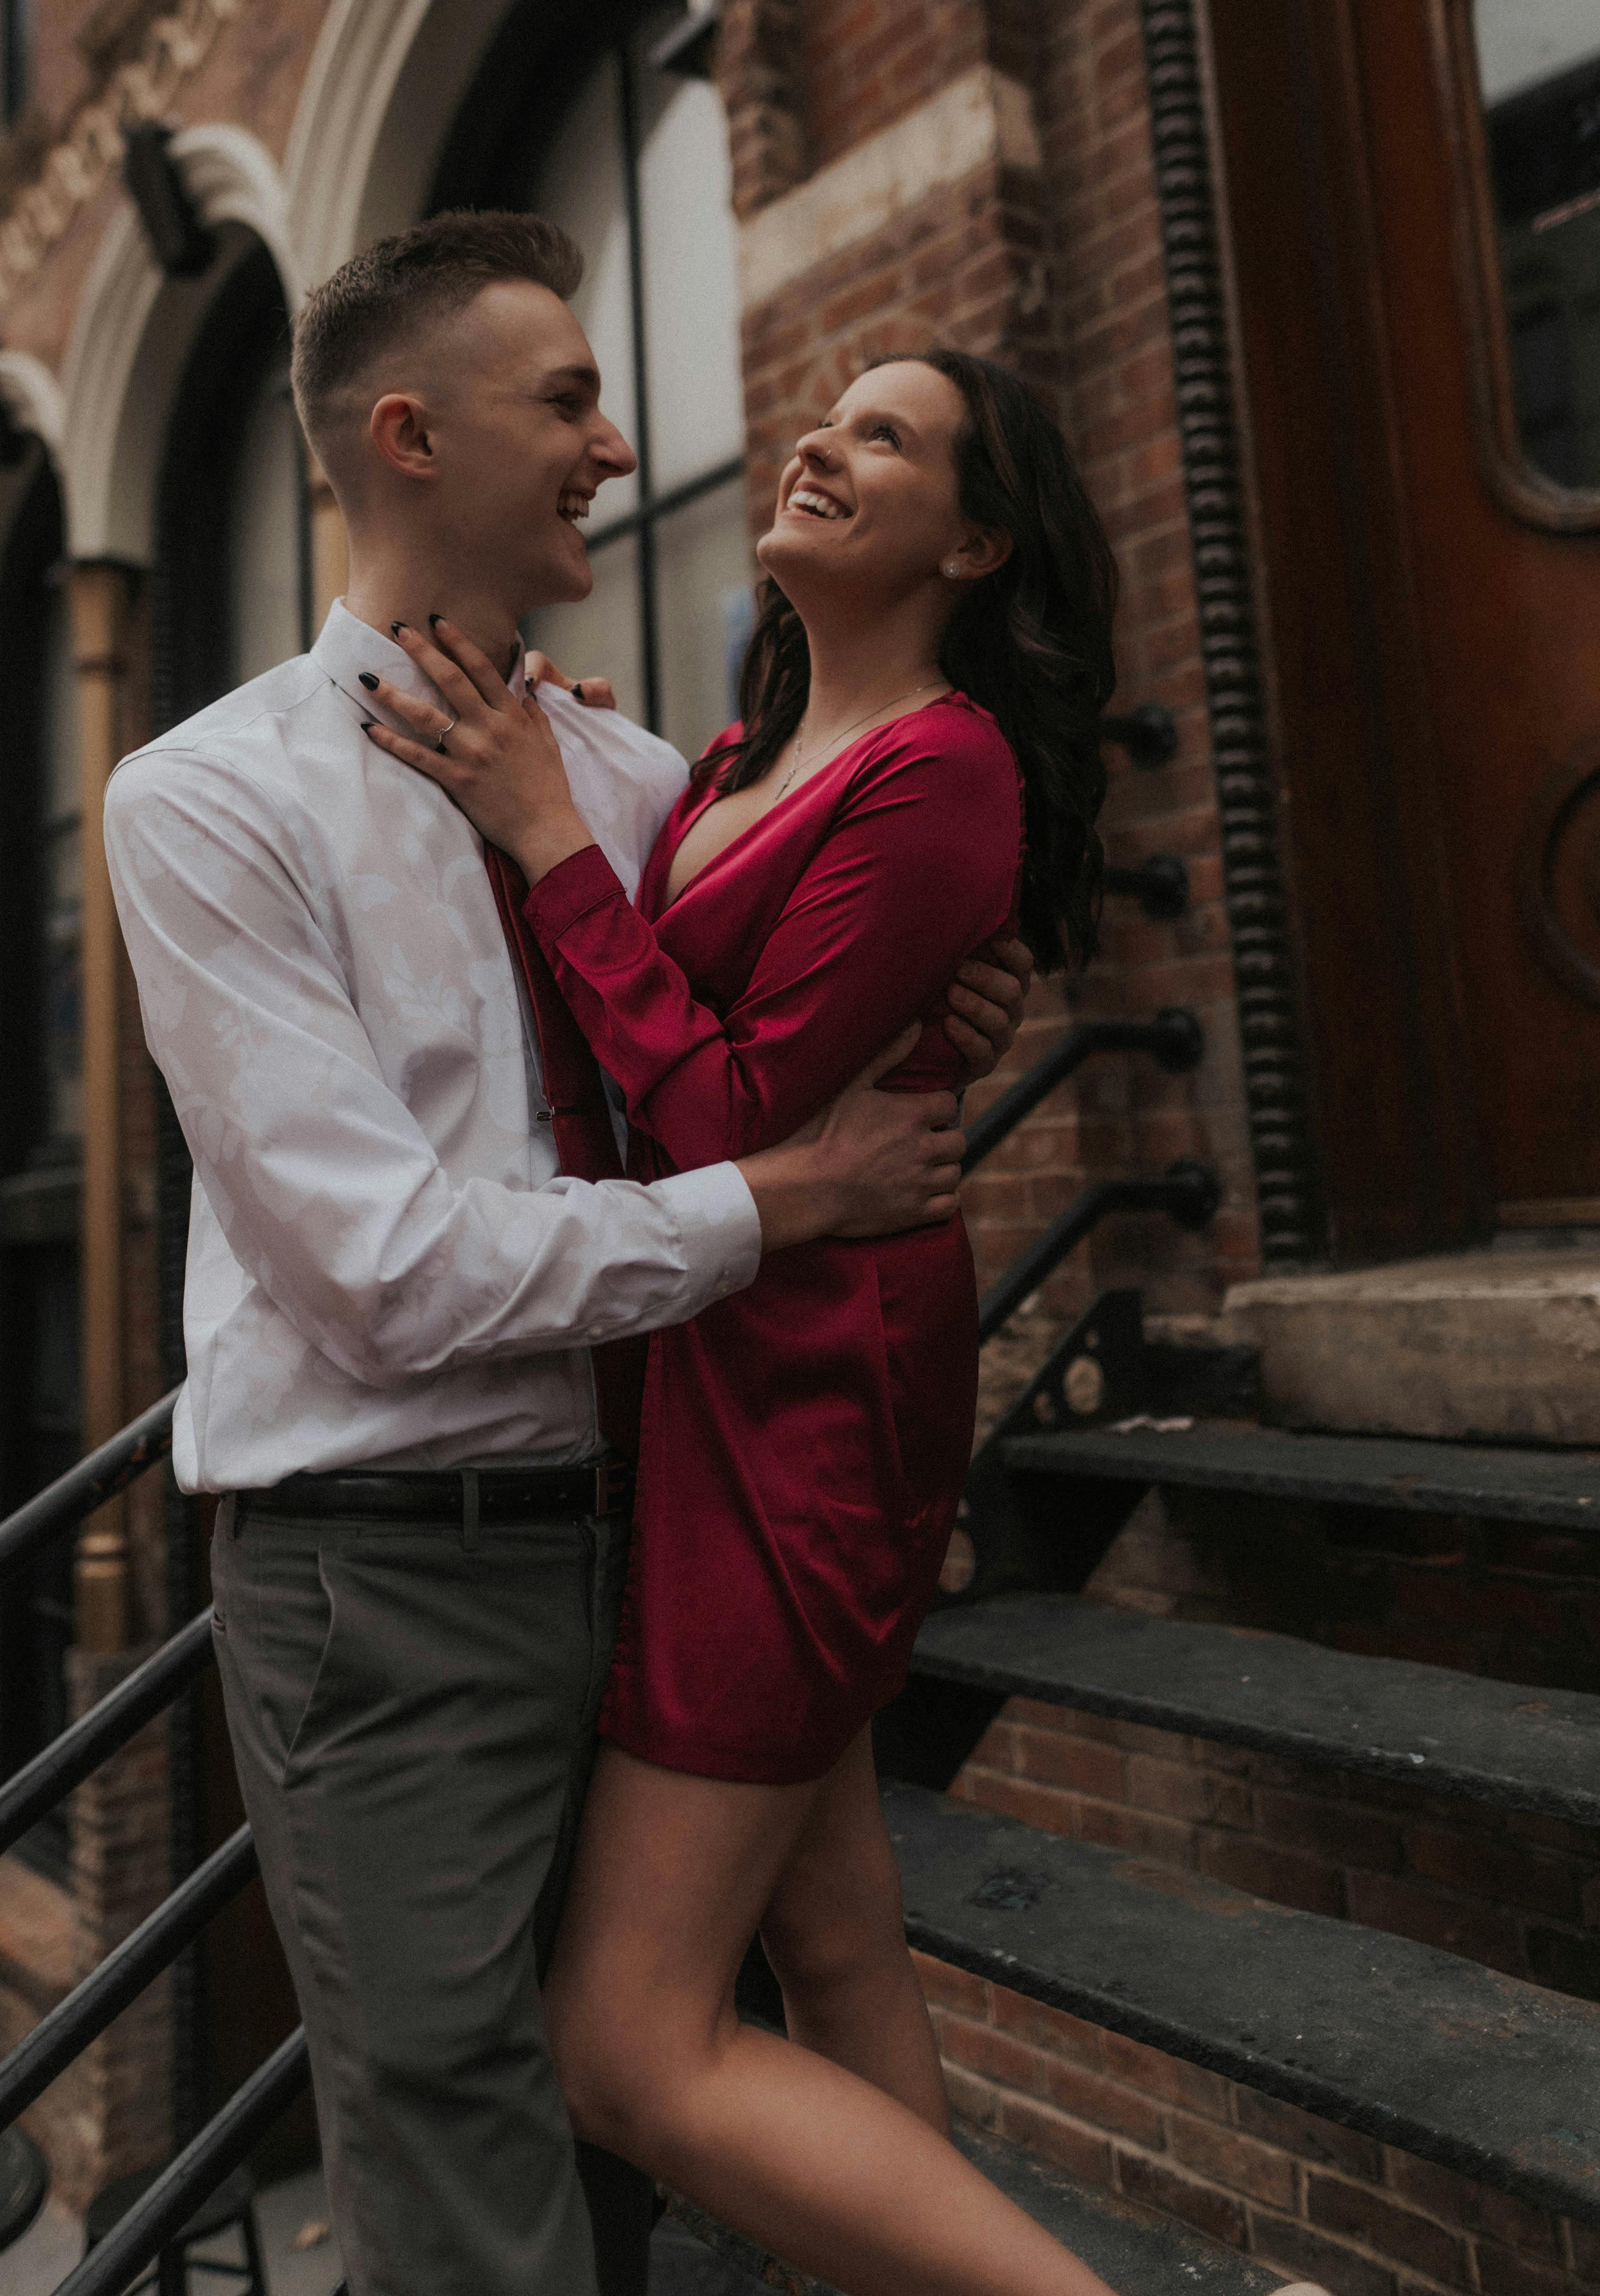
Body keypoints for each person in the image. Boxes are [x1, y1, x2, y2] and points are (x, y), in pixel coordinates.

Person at [103, 212, 1032, 2296]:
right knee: (467, 2182)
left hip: (653, 1512)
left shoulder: (626, 776)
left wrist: (950, 988)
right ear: (411, 437)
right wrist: (771, 1202)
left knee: (660, 2086)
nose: (619, 440)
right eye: (571, 399)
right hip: (387, 1563)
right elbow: (379, 1266)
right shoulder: (205, 798)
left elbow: (763, 998)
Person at [362, 342, 1128, 2296]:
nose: (816, 437)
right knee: (836, 1936)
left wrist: (546, 831)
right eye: (828, 411)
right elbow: (680, 1043)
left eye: (884, 432)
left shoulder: (941, 766)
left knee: (626, 2048)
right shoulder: (724, 761)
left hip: (805, 1386)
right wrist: (589, 784)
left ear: (974, 536)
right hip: (702, 1354)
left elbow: (716, 1117)